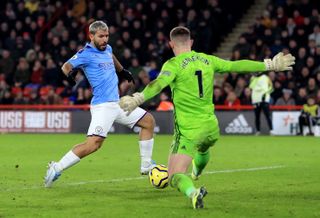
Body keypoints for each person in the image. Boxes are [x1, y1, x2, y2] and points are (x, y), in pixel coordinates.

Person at [118, 26, 295, 209]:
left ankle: (193, 192)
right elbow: (236, 66)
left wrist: (139, 98)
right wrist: (269, 65)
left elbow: (159, 83)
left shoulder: (173, 64)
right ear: (191, 42)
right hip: (211, 127)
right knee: (203, 149)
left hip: (189, 131)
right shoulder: (207, 60)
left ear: (171, 44)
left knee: (174, 176)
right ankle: (196, 172)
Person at [44, 21, 156, 188]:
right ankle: (57, 167)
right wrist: (70, 74)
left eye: (107, 36)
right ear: (91, 36)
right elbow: (65, 66)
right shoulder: (85, 53)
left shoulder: (108, 49)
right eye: (101, 36)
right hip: (102, 106)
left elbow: (111, 57)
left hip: (117, 104)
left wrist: (122, 71)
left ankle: (146, 165)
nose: (105, 39)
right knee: (93, 145)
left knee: (148, 122)